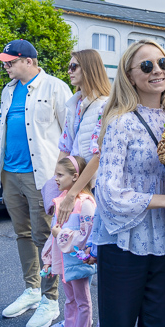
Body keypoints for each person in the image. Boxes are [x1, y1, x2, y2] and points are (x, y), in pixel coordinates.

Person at [91, 39, 165, 326]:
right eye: (146, 65)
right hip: (124, 240)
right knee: (118, 321)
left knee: (158, 322)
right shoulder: (121, 121)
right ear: (129, 76)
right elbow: (107, 193)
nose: (157, 70)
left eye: (162, 62)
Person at [0, 39, 72, 327]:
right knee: (22, 234)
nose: (6, 66)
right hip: (10, 173)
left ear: (28, 61)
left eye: (10, 61)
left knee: (45, 236)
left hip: (42, 176)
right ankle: (32, 289)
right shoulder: (8, 90)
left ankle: (50, 301)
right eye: (4, 61)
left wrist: (70, 181)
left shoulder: (54, 87)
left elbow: (69, 134)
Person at [55, 49, 111, 225]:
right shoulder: (75, 103)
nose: (69, 71)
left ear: (89, 69)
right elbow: (65, 147)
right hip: (74, 185)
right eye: (69, 67)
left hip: (92, 187)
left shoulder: (105, 105)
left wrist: (72, 194)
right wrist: (57, 180)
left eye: (74, 66)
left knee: (86, 244)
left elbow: (98, 155)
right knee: (68, 240)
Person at [41, 155, 96, 327]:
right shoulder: (61, 201)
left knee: (82, 301)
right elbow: (52, 233)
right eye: (55, 174)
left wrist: (61, 235)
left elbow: (86, 237)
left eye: (60, 175)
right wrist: (48, 259)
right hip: (63, 262)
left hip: (77, 263)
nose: (55, 179)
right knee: (70, 299)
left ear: (75, 177)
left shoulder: (86, 203)